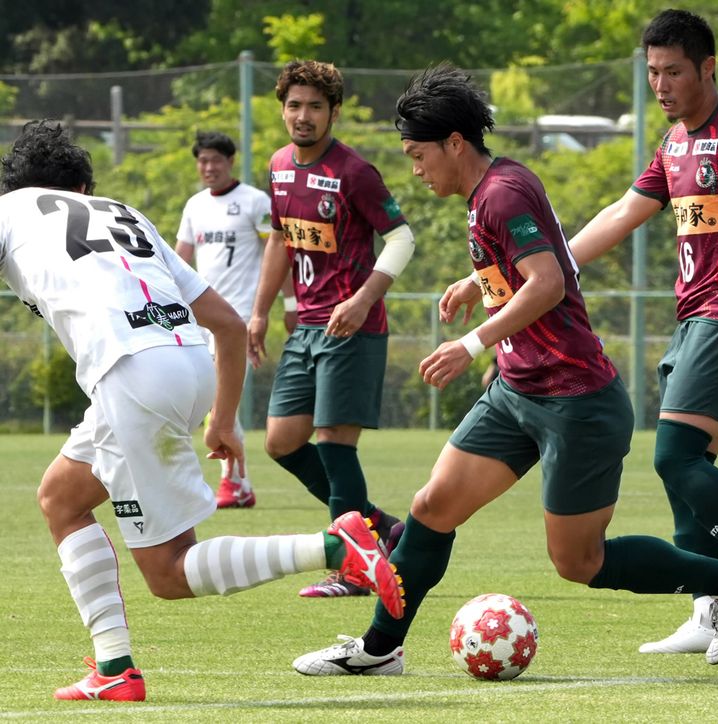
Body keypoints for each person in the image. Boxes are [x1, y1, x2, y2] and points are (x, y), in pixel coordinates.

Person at [292, 63, 718, 677]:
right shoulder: (484, 195)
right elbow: (531, 271)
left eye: (419, 155)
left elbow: (547, 284)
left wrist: (470, 344)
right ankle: (380, 647)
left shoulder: (503, 192)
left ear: (454, 144)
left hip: (578, 402)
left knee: (578, 563)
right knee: (431, 506)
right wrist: (479, 286)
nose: (415, 170)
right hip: (515, 392)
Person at [0, 119, 404, 702]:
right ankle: (114, 666)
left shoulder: (12, 209)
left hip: (131, 373)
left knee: (168, 572)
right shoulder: (122, 213)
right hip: (188, 361)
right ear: (83, 186)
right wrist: (221, 418)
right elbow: (229, 325)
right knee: (61, 499)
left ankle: (337, 548)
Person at [565, 9, 718, 656]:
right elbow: (626, 211)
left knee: (671, 456)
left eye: (672, 71)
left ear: (707, 67)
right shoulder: (675, 143)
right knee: (686, 466)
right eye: (652, 72)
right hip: (693, 319)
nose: (661, 84)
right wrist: (550, 264)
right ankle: (712, 609)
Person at [248, 60, 415, 600]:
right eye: (294, 105)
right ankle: (377, 528)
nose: (303, 116)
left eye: (315, 106)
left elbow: (402, 239)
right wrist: (259, 312)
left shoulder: (354, 172)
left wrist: (365, 298)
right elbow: (278, 240)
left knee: (335, 444)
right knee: (280, 441)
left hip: (351, 328)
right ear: (283, 110)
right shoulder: (277, 165)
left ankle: (351, 567)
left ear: (333, 112)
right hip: (305, 330)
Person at [175, 130, 295, 509]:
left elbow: (277, 252)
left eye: (216, 160)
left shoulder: (255, 202)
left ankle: (236, 482)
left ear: (230, 162)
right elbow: (179, 259)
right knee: (207, 396)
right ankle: (231, 480)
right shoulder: (194, 206)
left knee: (217, 395)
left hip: (239, 316)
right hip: (201, 318)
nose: (209, 167)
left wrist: (291, 304)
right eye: (202, 160)